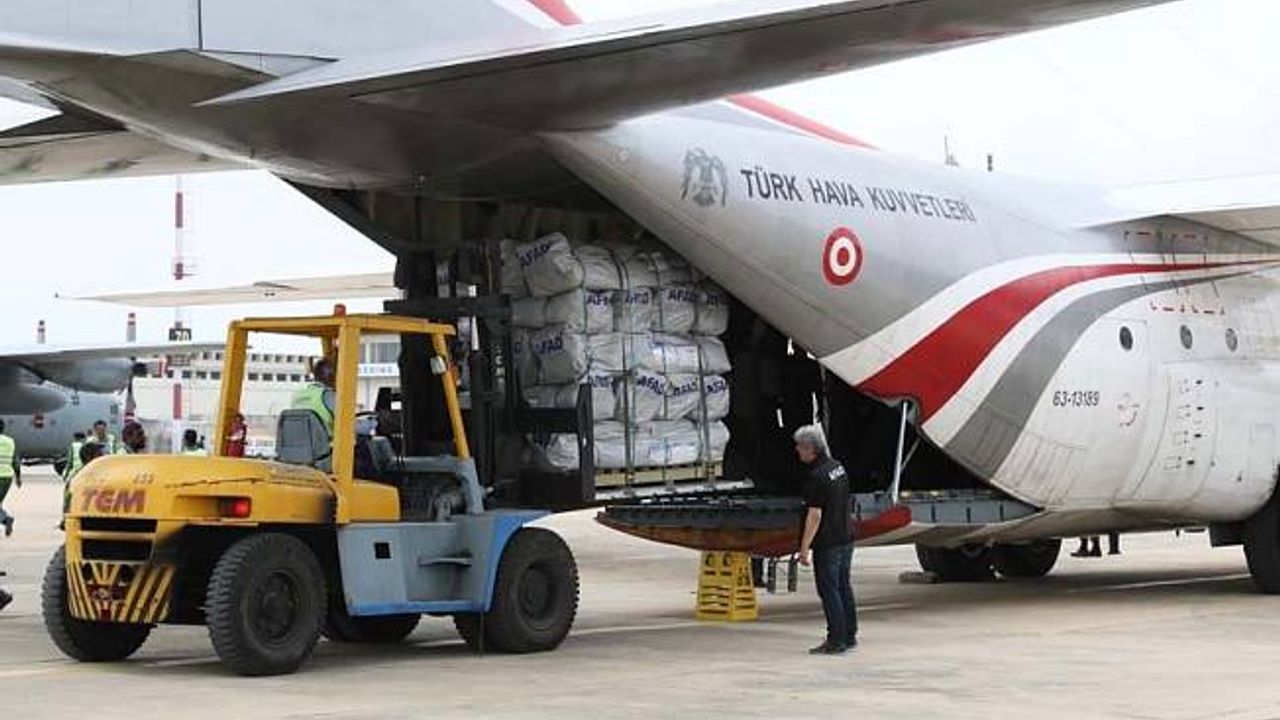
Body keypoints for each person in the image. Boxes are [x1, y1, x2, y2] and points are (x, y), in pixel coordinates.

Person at [795, 424, 856, 656]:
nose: (797, 450)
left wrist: (804, 548)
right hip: (846, 536)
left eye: (800, 447)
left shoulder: (817, 476)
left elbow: (815, 515)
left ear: (811, 449)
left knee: (829, 590)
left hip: (828, 542)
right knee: (843, 586)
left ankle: (836, 639)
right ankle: (849, 634)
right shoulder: (837, 468)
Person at [292, 357, 337, 435]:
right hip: (325, 441)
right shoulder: (328, 395)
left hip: (299, 441)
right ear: (332, 378)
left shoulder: (297, 395)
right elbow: (348, 423)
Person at [0, 420, 19, 538]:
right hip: (7, 477)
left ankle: (6, 519)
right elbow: (15, 461)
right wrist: (18, 477)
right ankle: (4, 519)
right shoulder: (10, 441)